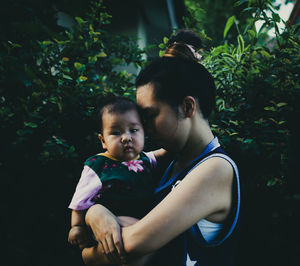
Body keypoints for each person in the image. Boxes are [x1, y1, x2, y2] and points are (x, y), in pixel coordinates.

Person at [81, 29, 241, 266]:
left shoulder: (216, 168)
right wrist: (95, 214)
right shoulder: (169, 160)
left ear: (188, 107)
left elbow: (134, 245)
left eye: (151, 115)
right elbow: (104, 177)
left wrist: (87, 254)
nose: (144, 128)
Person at [68, 95, 167, 256]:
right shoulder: (98, 165)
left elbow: (164, 152)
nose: (126, 138)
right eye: (115, 132)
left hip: (143, 224)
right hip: (111, 224)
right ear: (103, 140)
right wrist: (76, 227)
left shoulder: (145, 159)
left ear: (144, 132)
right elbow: (80, 201)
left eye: (134, 130)